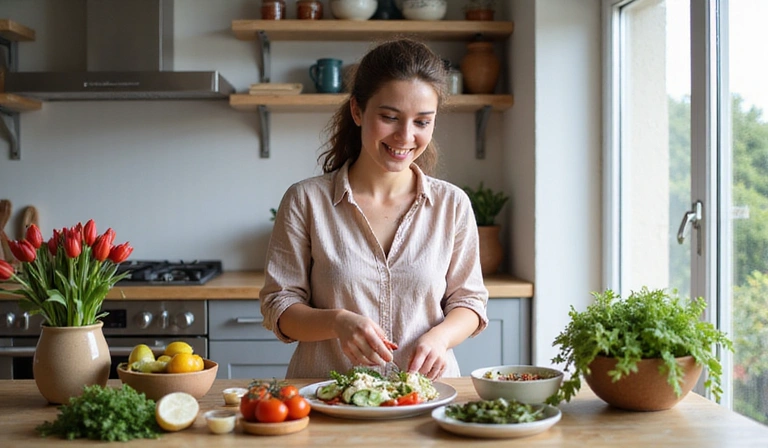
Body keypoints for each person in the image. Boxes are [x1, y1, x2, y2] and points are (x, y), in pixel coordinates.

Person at [260, 38, 489, 380]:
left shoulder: (452, 205)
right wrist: (337, 322)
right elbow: (279, 307)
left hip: (425, 397)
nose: (405, 136)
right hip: (328, 400)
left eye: (422, 122)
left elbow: (469, 303)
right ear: (357, 111)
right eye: (389, 117)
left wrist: (440, 338)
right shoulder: (305, 201)